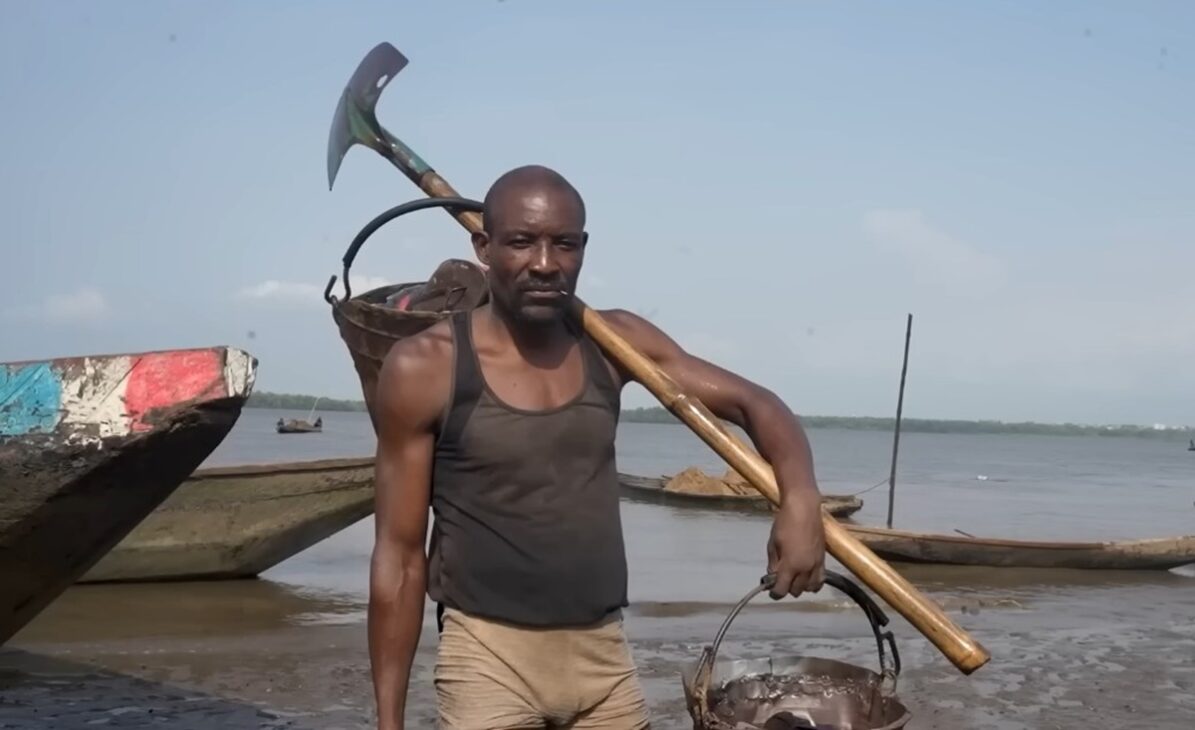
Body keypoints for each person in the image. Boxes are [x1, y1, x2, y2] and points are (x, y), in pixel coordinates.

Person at [368, 165, 827, 730]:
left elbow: (756, 403)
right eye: (521, 242)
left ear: (582, 248)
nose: (544, 263)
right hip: (486, 658)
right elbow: (398, 558)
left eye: (564, 244)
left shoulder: (614, 344)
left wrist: (801, 498)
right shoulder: (426, 366)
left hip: (603, 659)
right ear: (484, 248)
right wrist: (388, 722)